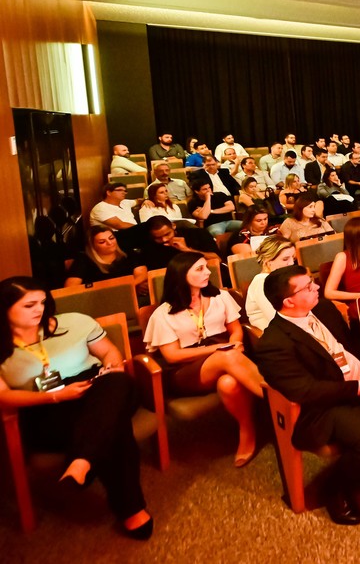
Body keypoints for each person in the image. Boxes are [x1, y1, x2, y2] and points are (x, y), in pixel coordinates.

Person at [255, 266, 360, 525]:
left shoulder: (323, 309)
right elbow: (306, 391)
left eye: (313, 282)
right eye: (308, 287)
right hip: (326, 404)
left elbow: (353, 344)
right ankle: (334, 490)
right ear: (288, 302)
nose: (317, 288)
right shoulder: (273, 343)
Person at [0, 277, 154, 539]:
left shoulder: (75, 322)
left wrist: (111, 367)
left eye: (42, 302)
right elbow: (4, 397)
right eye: (29, 305)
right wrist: (57, 396)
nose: (39, 309)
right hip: (44, 405)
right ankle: (130, 508)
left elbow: (109, 353)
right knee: (112, 426)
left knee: (117, 383)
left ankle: (82, 461)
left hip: (100, 388)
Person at [142, 252, 264, 467]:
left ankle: (247, 431)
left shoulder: (220, 297)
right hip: (185, 371)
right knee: (227, 356)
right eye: (199, 269)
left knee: (228, 383)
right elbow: (173, 355)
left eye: (206, 267)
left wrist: (236, 343)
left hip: (226, 357)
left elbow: (235, 330)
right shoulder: (164, 313)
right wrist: (219, 349)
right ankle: (282, 401)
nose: (208, 272)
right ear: (181, 275)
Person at [64, 226, 148, 288]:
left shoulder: (126, 252)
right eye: (102, 242)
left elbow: (141, 273)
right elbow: (70, 286)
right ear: (93, 246)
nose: (109, 243)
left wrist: (132, 286)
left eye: (111, 238)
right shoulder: (83, 259)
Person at [243, 236, 297, 330]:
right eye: (285, 259)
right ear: (268, 261)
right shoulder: (261, 283)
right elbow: (277, 319)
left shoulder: (285, 278)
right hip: (277, 333)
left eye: (293, 258)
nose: (292, 263)